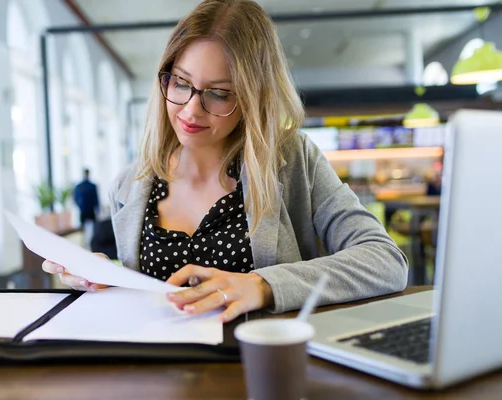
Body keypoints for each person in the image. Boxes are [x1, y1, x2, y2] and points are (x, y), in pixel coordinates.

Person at [43, 0, 408, 323]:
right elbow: (146, 296)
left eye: (218, 94)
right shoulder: (129, 185)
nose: (190, 110)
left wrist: (263, 286)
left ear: (253, 97)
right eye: (181, 83)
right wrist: (106, 278)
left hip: (261, 371)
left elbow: (385, 261)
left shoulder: (293, 159)